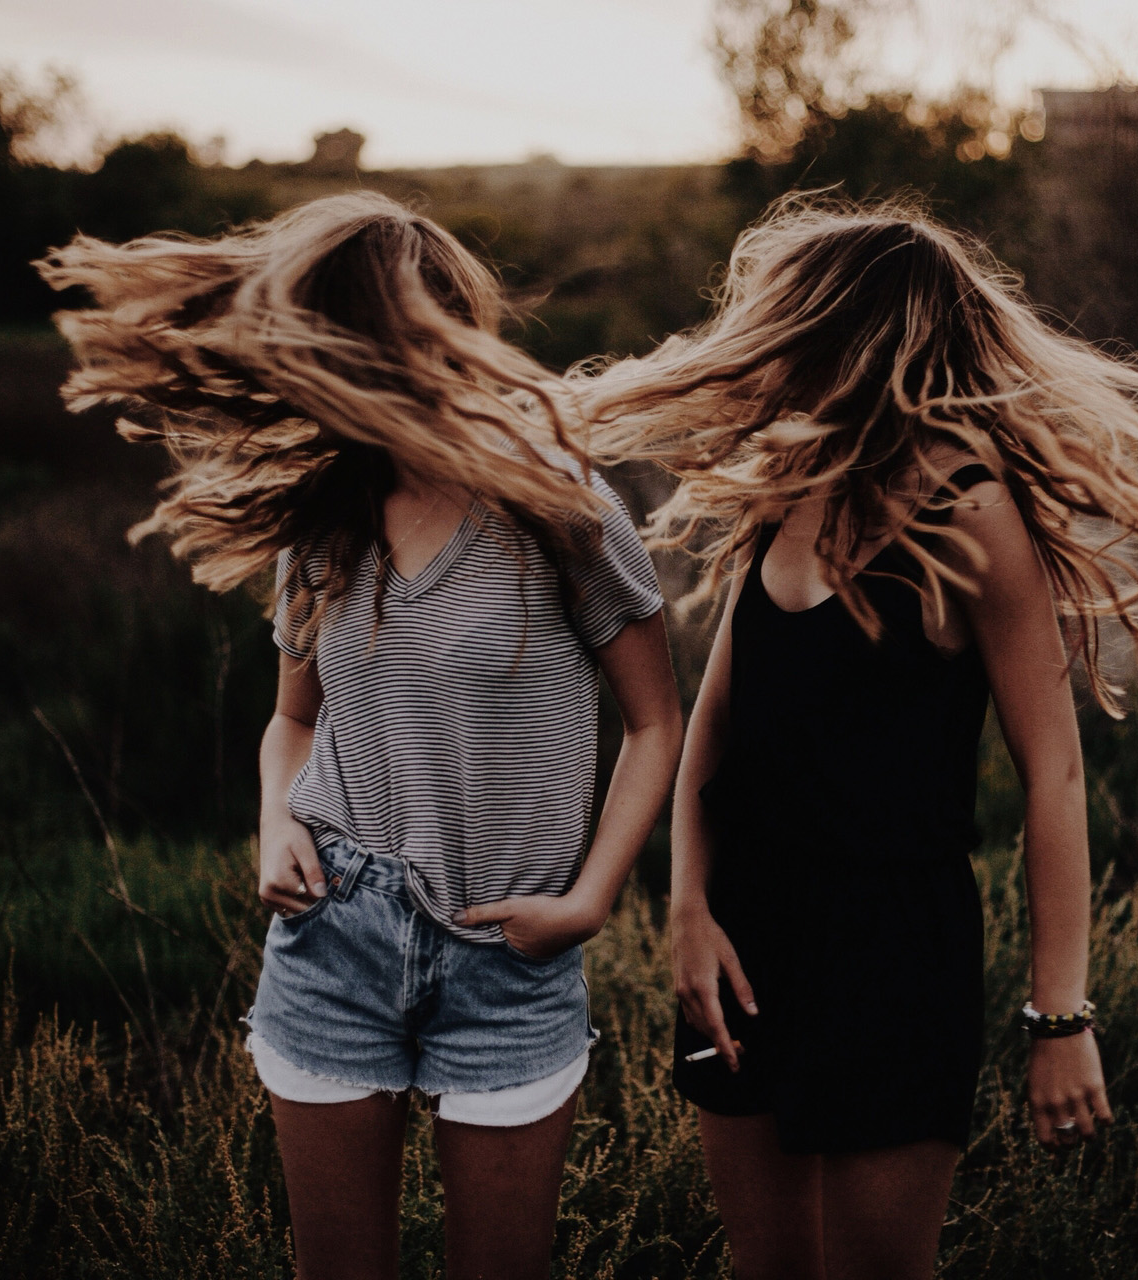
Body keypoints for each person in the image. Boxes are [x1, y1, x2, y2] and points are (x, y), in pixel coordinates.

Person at [581, 198, 1138, 1280]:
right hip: (745, 942)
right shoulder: (791, 482)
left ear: (843, 334)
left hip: (892, 953)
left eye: (780, 321)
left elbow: (1053, 773)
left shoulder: (969, 510)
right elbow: (716, 714)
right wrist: (685, 907)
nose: (757, 343)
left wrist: (1061, 1015)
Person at [40, 191, 683, 1280]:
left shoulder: (560, 506)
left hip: (507, 947)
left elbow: (657, 719)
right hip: (336, 929)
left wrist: (592, 897)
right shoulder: (322, 519)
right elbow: (293, 724)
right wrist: (273, 823)